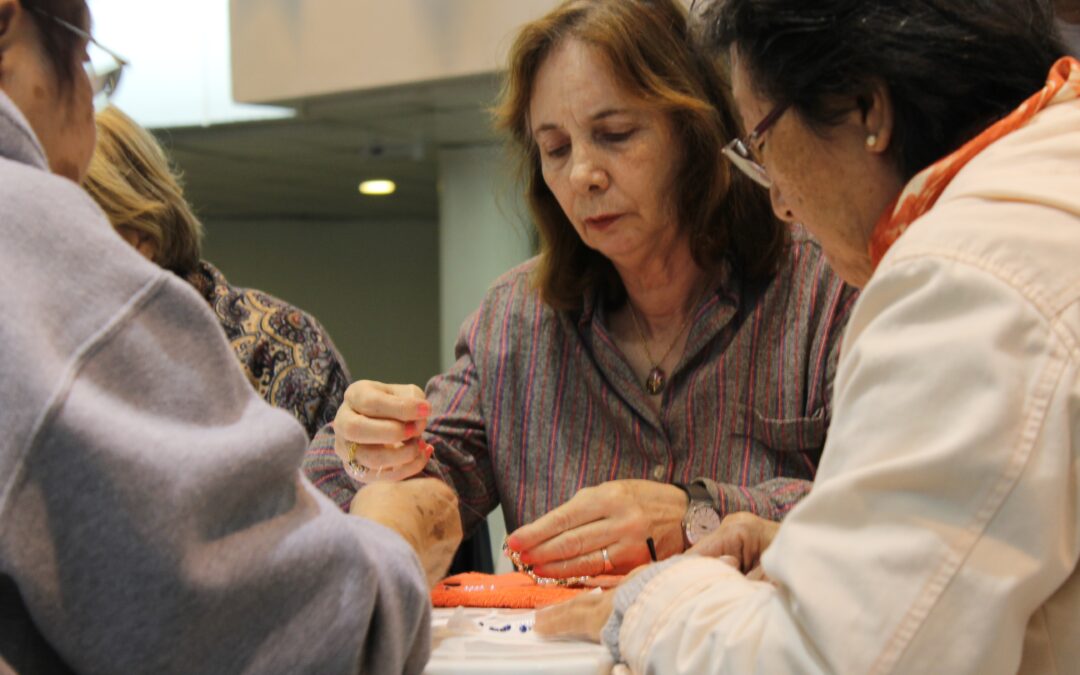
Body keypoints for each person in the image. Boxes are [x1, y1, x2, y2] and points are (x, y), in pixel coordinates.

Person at [537, 0, 1080, 672]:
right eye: (554, 148)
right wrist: (822, 559)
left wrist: (657, 594)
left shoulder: (960, 279)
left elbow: (829, 659)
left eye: (761, 144)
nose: (780, 201)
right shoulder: (1049, 176)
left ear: (865, 108)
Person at [305, 0, 855, 580]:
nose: (582, 175)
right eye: (556, 149)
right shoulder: (517, 318)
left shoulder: (822, 287)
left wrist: (698, 512)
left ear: (695, 134)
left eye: (615, 135)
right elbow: (413, 474)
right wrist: (368, 450)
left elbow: (892, 513)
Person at [0, 0, 461, 672]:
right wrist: (394, 530)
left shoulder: (283, 339)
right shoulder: (35, 252)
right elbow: (295, 640)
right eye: (82, 62)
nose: (80, 150)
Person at [83, 106, 350, 440]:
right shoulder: (41, 353)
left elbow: (350, 475)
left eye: (69, 233)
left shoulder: (277, 345)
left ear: (140, 239)